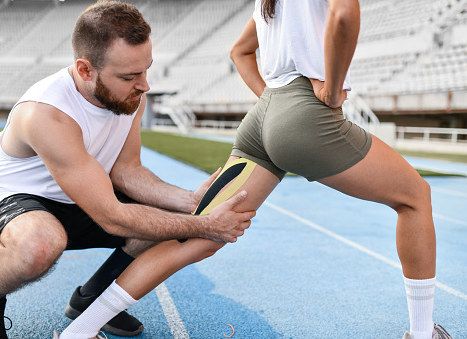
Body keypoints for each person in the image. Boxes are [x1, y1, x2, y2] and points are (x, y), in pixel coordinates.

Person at [54, 0, 455, 339]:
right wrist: (331, 90)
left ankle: (80, 330)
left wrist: (275, 108)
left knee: (203, 233)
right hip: (305, 111)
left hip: (264, 116)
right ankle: (422, 334)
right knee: (415, 196)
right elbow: (345, 14)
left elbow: (239, 52)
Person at [0, 1, 256, 338]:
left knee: (170, 222)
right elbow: (111, 216)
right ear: (85, 69)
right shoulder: (46, 113)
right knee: (40, 245)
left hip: (87, 198)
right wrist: (206, 224)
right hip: (20, 202)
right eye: (130, 76)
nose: (144, 85)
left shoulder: (131, 97)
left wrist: (189, 200)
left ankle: (92, 302)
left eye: (146, 69)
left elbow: (127, 172)